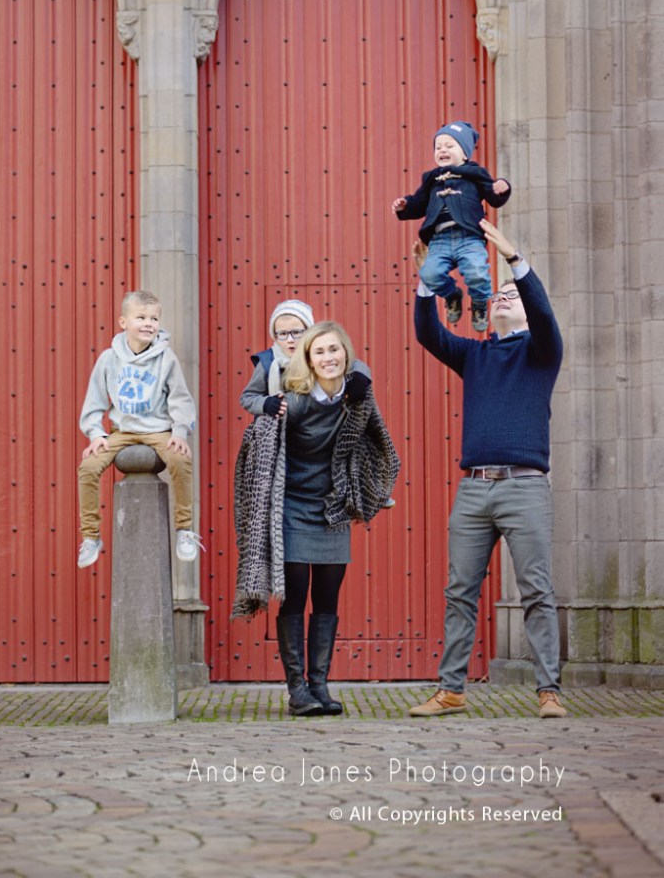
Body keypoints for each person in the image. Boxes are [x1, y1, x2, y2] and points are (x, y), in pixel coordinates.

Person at [409, 219, 567, 719]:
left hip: (525, 487)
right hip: (475, 491)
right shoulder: (474, 355)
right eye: (495, 293)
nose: (500, 297)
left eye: (509, 296)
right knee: (460, 591)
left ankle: (549, 692)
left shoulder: (542, 352)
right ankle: (451, 689)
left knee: (536, 590)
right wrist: (427, 281)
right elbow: (428, 333)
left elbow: (541, 313)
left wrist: (515, 261)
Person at [232, 322, 400, 716]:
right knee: (296, 594)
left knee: (327, 596)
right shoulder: (297, 401)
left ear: (347, 354)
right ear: (308, 359)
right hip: (290, 505)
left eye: (334, 350)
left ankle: (320, 686)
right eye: (320, 352)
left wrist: (371, 488)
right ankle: (297, 690)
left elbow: (380, 440)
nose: (329, 358)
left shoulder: (357, 395)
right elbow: (259, 440)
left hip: (332, 507)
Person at [77, 290, 203, 569]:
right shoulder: (109, 359)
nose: (149, 323)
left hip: (159, 430)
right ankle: (90, 536)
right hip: (122, 431)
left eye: (154, 318)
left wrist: (180, 432)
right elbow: (94, 400)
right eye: (141, 317)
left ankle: (184, 530)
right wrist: (95, 433)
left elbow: (181, 399)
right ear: (123, 322)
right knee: (88, 467)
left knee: (181, 460)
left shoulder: (166, 359)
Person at [392, 121, 511, 332]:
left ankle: (480, 302)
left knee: (476, 271)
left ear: (465, 153)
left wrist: (502, 188)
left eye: (449, 146)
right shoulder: (431, 179)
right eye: (438, 147)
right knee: (429, 273)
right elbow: (419, 203)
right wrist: (404, 206)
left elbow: (493, 195)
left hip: (469, 237)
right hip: (440, 239)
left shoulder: (475, 173)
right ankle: (452, 295)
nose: (443, 150)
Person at [240, 298, 374, 418]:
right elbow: (247, 397)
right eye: (282, 334)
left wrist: (359, 377)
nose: (290, 340)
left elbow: (350, 361)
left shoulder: (316, 353)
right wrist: (265, 403)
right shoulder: (267, 362)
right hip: (280, 428)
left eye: (296, 332)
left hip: (315, 421)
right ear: (275, 335)